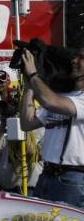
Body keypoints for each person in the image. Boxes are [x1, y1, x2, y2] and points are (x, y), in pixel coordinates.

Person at [20, 46, 84, 207]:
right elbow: (27, 123)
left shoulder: (60, 99)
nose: (74, 61)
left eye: (82, 58)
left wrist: (34, 74)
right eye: (75, 57)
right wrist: (29, 85)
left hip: (73, 178)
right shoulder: (61, 95)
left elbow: (51, 102)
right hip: (47, 174)